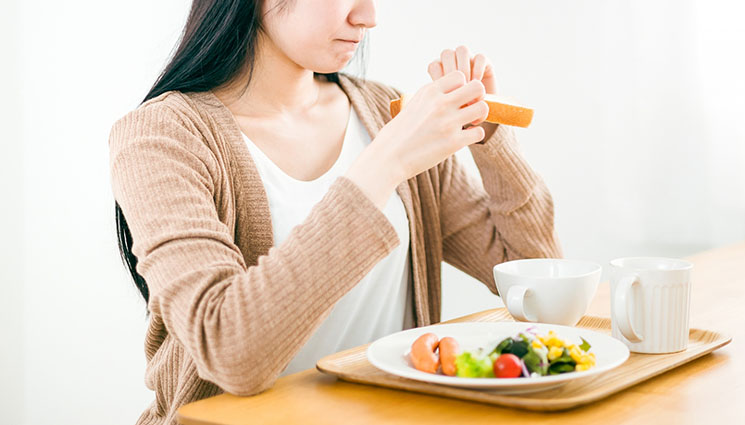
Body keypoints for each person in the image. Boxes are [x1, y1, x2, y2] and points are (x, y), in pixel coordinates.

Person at [108, 0, 562, 423]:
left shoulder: (386, 114)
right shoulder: (161, 136)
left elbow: (543, 284)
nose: (368, 16)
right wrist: (384, 164)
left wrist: (491, 140)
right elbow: (233, 352)